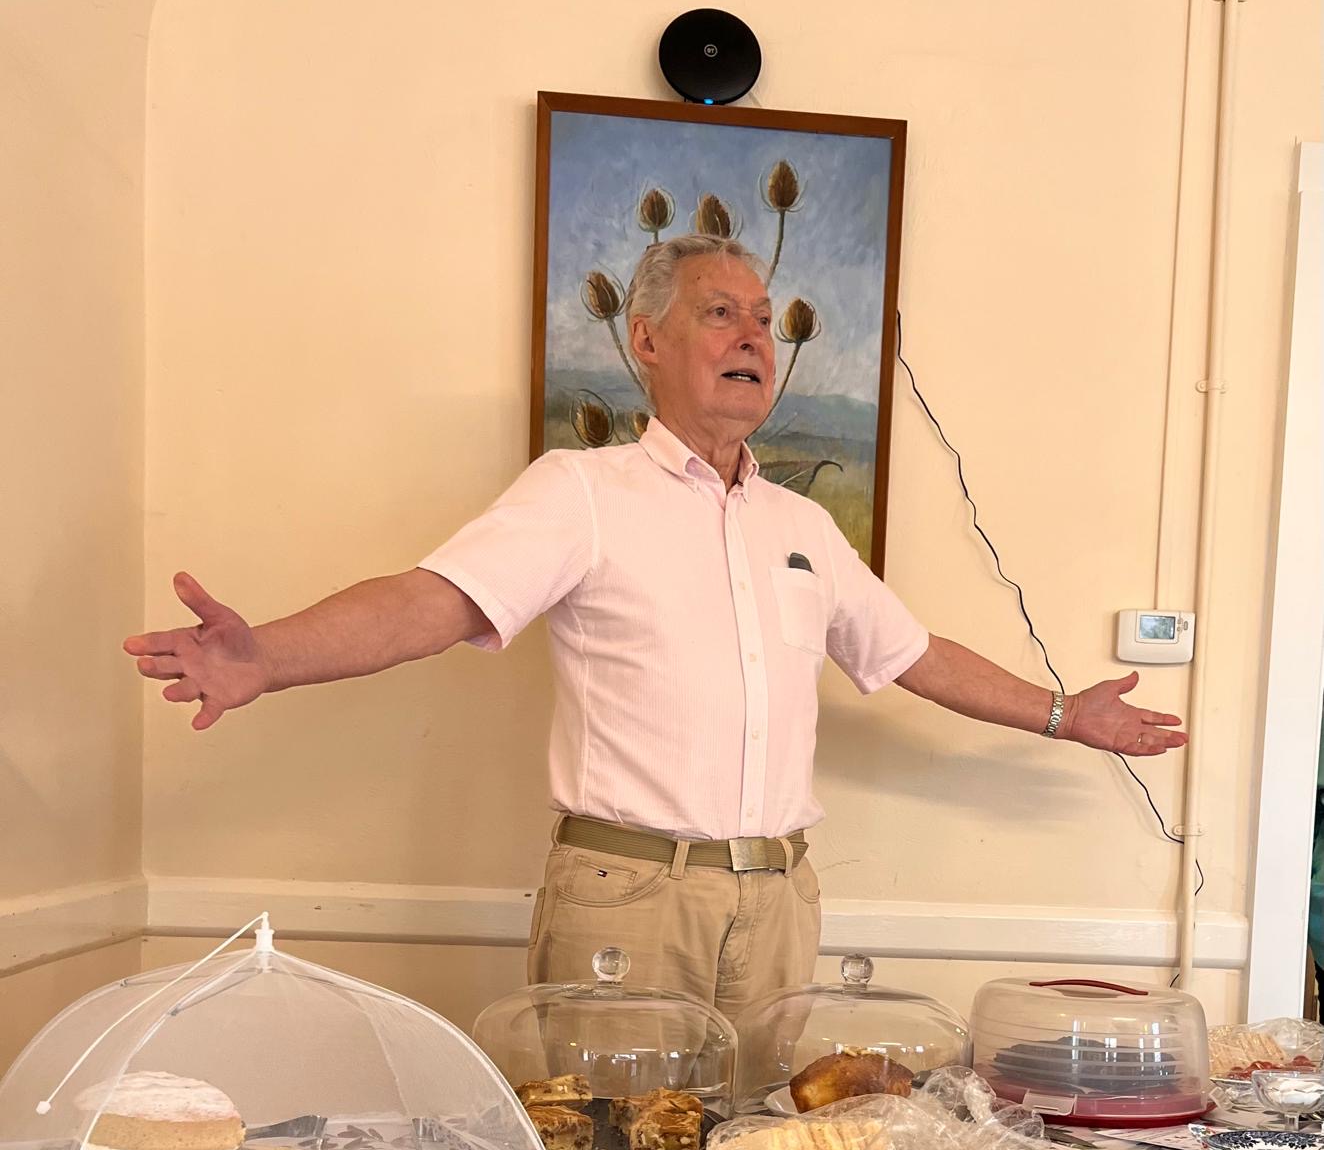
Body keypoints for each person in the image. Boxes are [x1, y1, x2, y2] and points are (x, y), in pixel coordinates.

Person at [125, 235, 1186, 1025]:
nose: (753, 338)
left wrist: (1064, 714)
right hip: (629, 901)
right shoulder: (580, 491)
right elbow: (431, 601)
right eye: (721, 314)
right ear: (646, 340)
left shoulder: (802, 526)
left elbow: (914, 654)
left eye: (764, 321)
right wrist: (268, 655)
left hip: (780, 901)